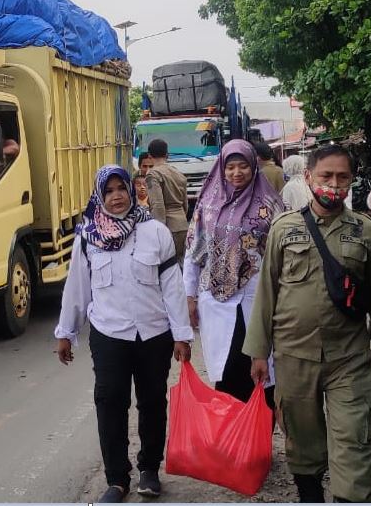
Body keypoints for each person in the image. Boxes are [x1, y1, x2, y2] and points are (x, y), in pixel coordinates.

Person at [243, 145, 371, 503]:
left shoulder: (365, 231)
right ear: (308, 178)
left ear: (351, 182)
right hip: (293, 357)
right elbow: (266, 293)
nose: (334, 184)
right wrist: (259, 352)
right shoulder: (283, 230)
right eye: (326, 176)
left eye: (342, 177)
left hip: (348, 358)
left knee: (353, 437)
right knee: (303, 442)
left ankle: (352, 497)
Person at [55, 165, 193, 503]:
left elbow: (172, 285)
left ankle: (149, 469)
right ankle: (117, 480)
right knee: (109, 402)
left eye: (122, 189)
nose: (116, 196)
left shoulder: (154, 232)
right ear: (100, 196)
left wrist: (181, 334)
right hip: (109, 333)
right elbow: (78, 286)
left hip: (153, 332)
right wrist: (66, 331)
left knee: (151, 401)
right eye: (109, 191)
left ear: (132, 191)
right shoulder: (88, 236)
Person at [184, 139, 283, 409]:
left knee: (261, 369)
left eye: (242, 167)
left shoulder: (270, 204)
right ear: (221, 169)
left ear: (253, 167)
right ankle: (230, 440)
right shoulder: (208, 204)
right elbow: (193, 252)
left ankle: (258, 438)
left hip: (257, 298)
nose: (236, 173)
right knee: (226, 370)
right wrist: (189, 296)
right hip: (216, 301)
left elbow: (281, 253)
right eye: (230, 167)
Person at [145, 139, 189, 262]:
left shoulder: (153, 175)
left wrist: (158, 231)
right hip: (182, 225)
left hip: (167, 227)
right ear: (167, 155)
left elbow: (158, 205)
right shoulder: (178, 173)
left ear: (149, 156)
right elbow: (185, 204)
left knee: (166, 267)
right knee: (180, 265)